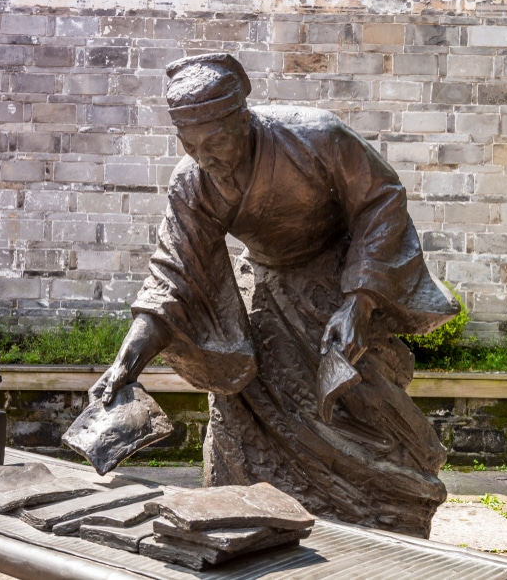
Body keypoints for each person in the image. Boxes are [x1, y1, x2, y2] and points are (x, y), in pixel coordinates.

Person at [89, 53, 458, 538]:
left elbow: (381, 199)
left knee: (361, 401)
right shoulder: (194, 182)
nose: (206, 157)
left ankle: (388, 514)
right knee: (241, 404)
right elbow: (172, 275)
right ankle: (252, 525)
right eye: (190, 143)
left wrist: (360, 300)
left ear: (243, 118)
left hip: (340, 276)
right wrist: (127, 361)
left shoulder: (315, 136)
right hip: (265, 286)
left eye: (216, 140)